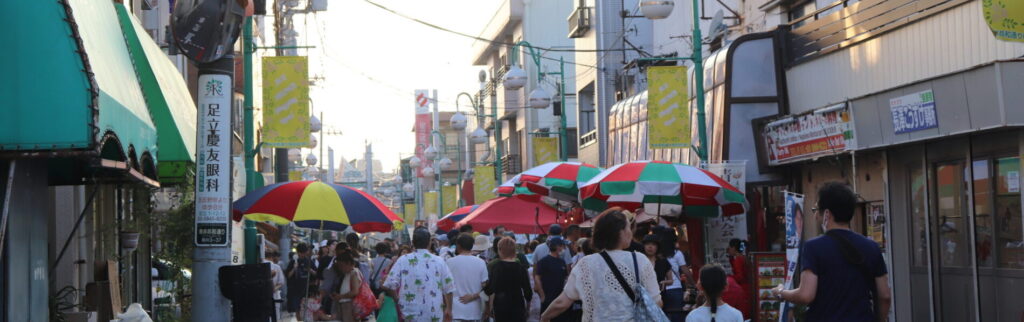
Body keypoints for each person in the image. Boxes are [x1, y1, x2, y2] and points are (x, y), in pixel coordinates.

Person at [772, 182, 892, 322]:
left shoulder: (814, 247)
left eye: (816, 210)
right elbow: (885, 296)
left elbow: (806, 295)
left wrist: (781, 293)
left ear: (827, 214)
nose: (815, 216)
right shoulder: (871, 247)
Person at [541, 208, 662, 322]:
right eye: (628, 228)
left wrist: (544, 317)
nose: (631, 232)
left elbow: (562, 302)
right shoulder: (640, 260)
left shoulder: (585, 264)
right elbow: (657, 302)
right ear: (621, 232)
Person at [382, 228, 455, 321]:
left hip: (410, 312)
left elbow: (389, 284)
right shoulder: (439, 261)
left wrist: (397, 300)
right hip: (433, 313)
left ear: (412, 242)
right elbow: (449, 288)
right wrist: (449, 309)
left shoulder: (403, 260)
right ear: (429, 242)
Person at [485, 237, 533, 322]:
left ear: (500, 250)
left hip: (501, 305)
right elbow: (528, 292)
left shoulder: (496, 267)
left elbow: (490, 289)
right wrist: (528, 308)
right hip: (518, 304)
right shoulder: (521, 268)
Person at [447, 233, 490, 321]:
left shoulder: (449, 262)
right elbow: (486, 288)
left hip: (455, 311)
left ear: (458, 246)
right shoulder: (481, 262)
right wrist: (473, 296)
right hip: (474, 312)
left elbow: (446, 288)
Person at [533, 236, 571, 322]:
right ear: (558, 247)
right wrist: (542, 296)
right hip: (548, 300)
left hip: (560, 300)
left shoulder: (562, 261)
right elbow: (537, 278)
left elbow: (565, 278)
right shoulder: (544, 261)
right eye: (563, 246)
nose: (564, 248)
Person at [331, 252, 363, 322]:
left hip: (349, 306)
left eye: (341, 265)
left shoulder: (354, 273)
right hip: (345, 306)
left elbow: (355, 291)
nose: (340, 268)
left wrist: (341, 296)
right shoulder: (348, 273)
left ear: (348, 263)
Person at [286, 243, 316, 315]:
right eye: (301, 253)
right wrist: (294, 268)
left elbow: (316, 274)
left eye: (304, 253)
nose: (303, 255)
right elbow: (288, 276)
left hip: (307, 290)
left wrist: (310, 270)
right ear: (298, 252)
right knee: (297, 310)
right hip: (295, 290)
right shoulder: (293, 261)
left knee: (307, 309)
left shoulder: (309, 261)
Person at [724, 239, 751, 319]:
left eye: (730, 247)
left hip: (743, 289)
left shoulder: (738, 260)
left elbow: (740, 277)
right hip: (748, 288)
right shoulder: (742, 257)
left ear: (733, 248)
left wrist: (729, 277)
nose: (729, 249)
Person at [264, 251, 285, 320]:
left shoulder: (260, 264)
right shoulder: (276, 267)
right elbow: (281, 282)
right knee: (275, 316)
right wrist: (274, 289)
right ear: (272, 257)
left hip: (262, 296)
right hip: (274, 295)